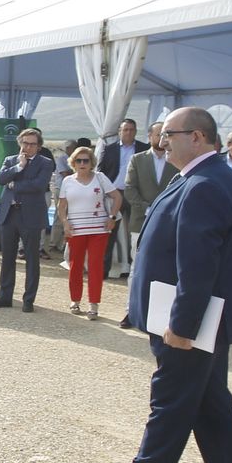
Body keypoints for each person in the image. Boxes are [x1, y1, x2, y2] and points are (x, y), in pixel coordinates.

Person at [80, 106, 232, 463]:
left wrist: (183, 325)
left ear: (197, 137)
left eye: (170, 134)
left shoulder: (205, 184)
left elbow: (198, 265)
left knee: (172, 399)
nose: (161, 141)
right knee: (211, 403)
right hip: (198, 318)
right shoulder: (202, 178)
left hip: (191, 321)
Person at [120, 122, 178, 327]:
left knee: (166, 268)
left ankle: (162, 315)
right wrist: (148, 208)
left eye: (166, 134)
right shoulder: (137, 159)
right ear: (150, 136)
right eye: (158, 134)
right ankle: (132, 311)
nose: (162, 138)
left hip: (170, 223)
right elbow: (129, 189)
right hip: (140, 222)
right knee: (137, 267)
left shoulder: (177, 160)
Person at [0, 127, 54, 312]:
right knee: (7, 258)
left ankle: (28, 300)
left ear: (39, 146)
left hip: (31, 216)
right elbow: (0, 179)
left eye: (33, 144)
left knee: (32, 259)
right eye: (25, 143)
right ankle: (5, 296)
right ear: (20, 143)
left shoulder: (45, 163)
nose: (28, 147)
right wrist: (19, 167)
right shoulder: (11, 160)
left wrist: (15, 184)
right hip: (9, 215)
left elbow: (39, 185)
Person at [56, 145, 119, 320]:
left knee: (95, 266)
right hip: (76, 229)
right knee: (75, 265)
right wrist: (65, 223)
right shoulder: (68, 181)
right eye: (79, 160)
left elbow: (117, 197)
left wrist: (112, 217)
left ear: (92, 162)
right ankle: (75, 300)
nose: (82, 164)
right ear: (73, 163)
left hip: (99, 229)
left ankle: (94, 304)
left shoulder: (100, 178)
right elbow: (62, 206)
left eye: (86, 160)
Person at [99, 119, 148, 278]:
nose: (128, 132)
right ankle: (104, 270)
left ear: (135, 131)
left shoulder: (144, 149)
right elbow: (102, 171)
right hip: (115, 193)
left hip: (136, 195)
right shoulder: (109, 149)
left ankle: (133, 268)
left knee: (136, 232)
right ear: (119, 131)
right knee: (110, 231)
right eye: (125, 129)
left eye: (131, 129)